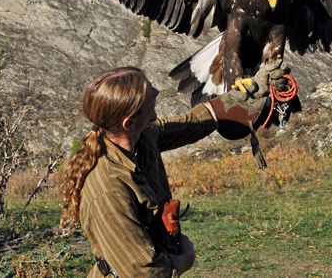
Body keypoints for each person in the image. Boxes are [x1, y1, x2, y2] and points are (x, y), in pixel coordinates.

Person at [60, 60, 289, 278]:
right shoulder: (108, 191)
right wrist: (184, 260)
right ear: (128, 123)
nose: (157, 93)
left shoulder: (142, 137)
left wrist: (252, 89)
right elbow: (141, 271)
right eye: (150, 94)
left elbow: (193, 122)